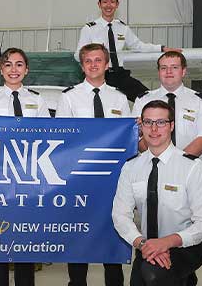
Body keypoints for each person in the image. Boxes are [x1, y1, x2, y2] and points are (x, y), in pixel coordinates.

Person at [112, 100, 202, 286]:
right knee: (143, 278)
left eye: (161, 122)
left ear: (172, 126)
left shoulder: (192, 167)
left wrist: (167, 242)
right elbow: (120, 215)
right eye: (148, 122)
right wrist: (143, 244)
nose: (154, 128)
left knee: (154, 276)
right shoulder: (131, 167)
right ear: (141, 126)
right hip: (147, 247)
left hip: (184, 245)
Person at [55, 43, 130, 286]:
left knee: (113, 231)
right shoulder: (68, 97)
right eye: (88, 61)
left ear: (107, 64)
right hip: (80, 178)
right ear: (82, 65)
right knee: (78, 234)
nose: (94, 65)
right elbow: (62, 140)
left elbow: (126, 138)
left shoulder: (119, 98)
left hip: (113, 179)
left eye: (99, 60)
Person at [0, 48, 50, 286]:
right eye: (8, 65)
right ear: (1, 70)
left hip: (28, 180)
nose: (14, 70)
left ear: (26, 70)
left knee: (25, 238)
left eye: (19, 65)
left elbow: (47, 139)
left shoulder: (37, 100)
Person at [74, 0, 181, 102]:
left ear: (117, 4)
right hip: (99, 75)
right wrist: (93, 59)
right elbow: (78, 55)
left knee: (147, 99)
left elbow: (139, 46)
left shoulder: (123, 28)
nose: (108, 5)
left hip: (120, 75)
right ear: (99, 4)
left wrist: (162, 48)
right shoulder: (89, 29)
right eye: (105, 2)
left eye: (112, 1)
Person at [133, 51, 202, 159]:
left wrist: (179, 162)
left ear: (183, 71)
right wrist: (159, 158)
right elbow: (137, 137)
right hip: (152, 165)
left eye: (174, 67)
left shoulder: (201, 102)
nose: (168, 72)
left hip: (189, 168)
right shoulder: (142, 100)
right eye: (164, 68)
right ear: (158, 72)